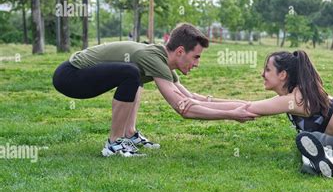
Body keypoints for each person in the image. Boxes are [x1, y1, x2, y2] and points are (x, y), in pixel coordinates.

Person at [52, 23, 256, 157]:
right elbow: (183, 108)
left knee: (134, 75)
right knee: (131, 72)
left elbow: (192, 98)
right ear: (180, 51)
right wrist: (230, 114)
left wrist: (244, 105)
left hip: (77, 75)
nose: (197, 64)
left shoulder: (160, 61)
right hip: (71, 76)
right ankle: (114, 144)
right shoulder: (154, 59)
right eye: (196, 57)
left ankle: (129, 134)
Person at [177, 50, 333, 178]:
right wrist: (205, 100)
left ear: (283, 74)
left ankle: (329, 166)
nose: (262, 74)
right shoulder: (291, 97)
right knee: (319, 140)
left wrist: (199, 104)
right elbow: (246, 105)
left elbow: (248, 109)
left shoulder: (294, 100)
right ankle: (321, 157)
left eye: (267, 70)